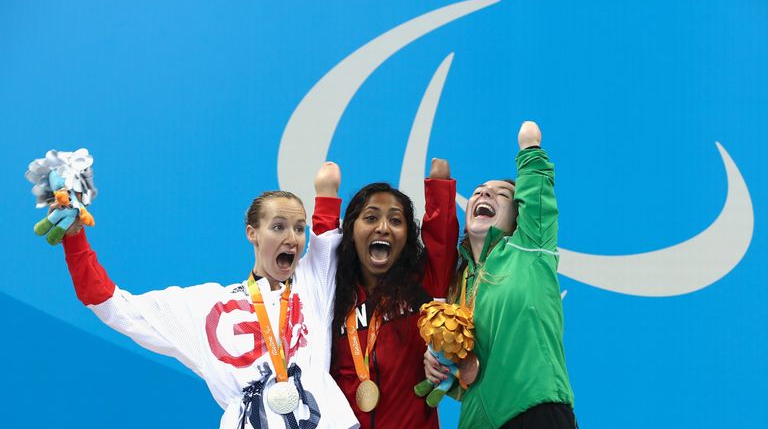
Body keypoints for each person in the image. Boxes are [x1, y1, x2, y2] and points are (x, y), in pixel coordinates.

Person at [57, 163, 358, 429]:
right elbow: (112, 306)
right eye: (278, 227)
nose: (292, 238)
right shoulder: (207, 307)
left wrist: (326, 189)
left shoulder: (312, 286)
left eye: (298, 228)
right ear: (252, 233)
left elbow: (325, 230)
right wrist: (74, 238)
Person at [424, 121, 577, 428]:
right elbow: (469, 370)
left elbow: (537, 197)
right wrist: (440, 367)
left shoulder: (530, 249)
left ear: (518, 216)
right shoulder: (458, 284)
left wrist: (530, 150)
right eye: (478, 192)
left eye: (501, 194)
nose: (485, 194)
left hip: (536, 413)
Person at [314, 159, 458, 429]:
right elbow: (321, 250)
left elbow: (442, 240)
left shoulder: (422, 283)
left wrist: (439, 187)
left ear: (406, 236)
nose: (383, 227)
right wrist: (326, 198)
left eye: (395, 220)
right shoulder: (332, 292)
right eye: (370, 217)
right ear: (351, 232)